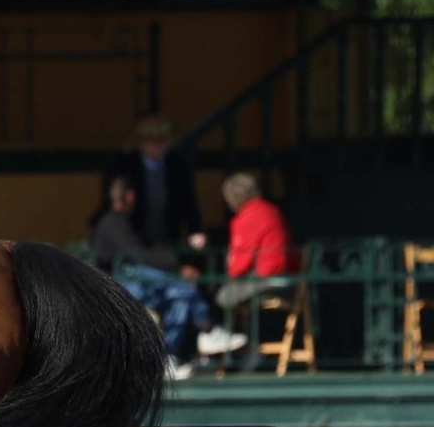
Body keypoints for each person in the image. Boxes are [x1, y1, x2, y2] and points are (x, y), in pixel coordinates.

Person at [90, 177, 245, 380]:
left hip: (135, 281)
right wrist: (177, 269)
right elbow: (136, 255)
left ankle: (167, 358)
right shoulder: (112, 224)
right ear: (130, 196)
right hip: (120, 287)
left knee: (179, 298)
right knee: (178, 285)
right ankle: (207, 326)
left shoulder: (123, 223)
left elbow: (146, 250)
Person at [101, 116, 206, 251]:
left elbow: (189, 200)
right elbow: (116, 200)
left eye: (163, 141)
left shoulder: (176, 165)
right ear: (142, 143)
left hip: (168, 235)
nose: (159, 146)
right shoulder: (127, 165)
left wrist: (195, 230)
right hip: (135, 235)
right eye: (153, 141)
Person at [214, 172, 300, 313]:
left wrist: (230, 274)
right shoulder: (272, 210)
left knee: (224, 296)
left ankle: (235, 334)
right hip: (290, 280)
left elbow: (239, 265)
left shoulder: (246, 218)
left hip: (268, 281)